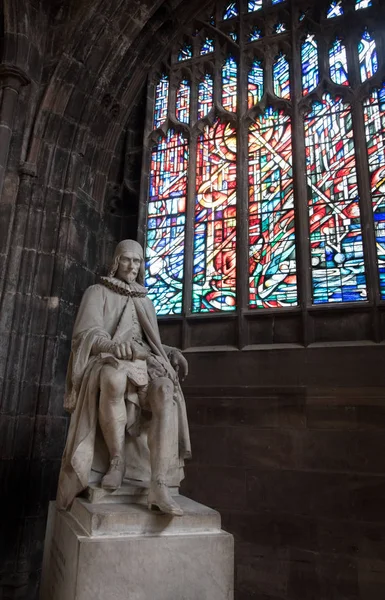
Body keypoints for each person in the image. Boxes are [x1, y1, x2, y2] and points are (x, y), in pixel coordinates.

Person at [56, 239, 191, 516]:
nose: (132, 265)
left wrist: (171, 351)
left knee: (166, 390)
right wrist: (111, 346)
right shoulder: (98, 291)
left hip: (144, 363)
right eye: (127, 259)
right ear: (116, 261)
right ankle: (117, 461)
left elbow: (149, 342)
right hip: (108, 360)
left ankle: (159, 483)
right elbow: (86, 335)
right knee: (113, 378)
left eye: (138, 261)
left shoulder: (145, 300)